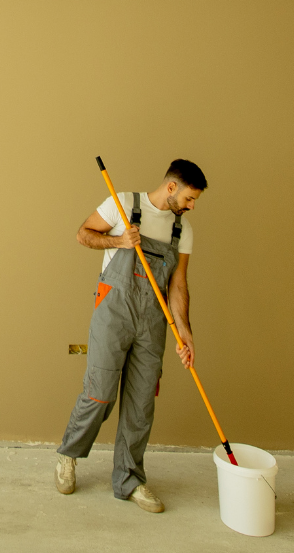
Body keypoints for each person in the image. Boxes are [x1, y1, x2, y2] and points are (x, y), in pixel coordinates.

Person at [53, 158, 206, 512]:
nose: (191, 206)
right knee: (100, 394)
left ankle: (129, 479)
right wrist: (121, 240)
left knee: (141, 405)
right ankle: (68, 455)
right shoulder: (123, 203)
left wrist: (186, 333)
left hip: (153, 322)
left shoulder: (182, 231)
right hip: (114, 313)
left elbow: (178, 285)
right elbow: (83, 234)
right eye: (189, 198)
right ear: (172, 187)